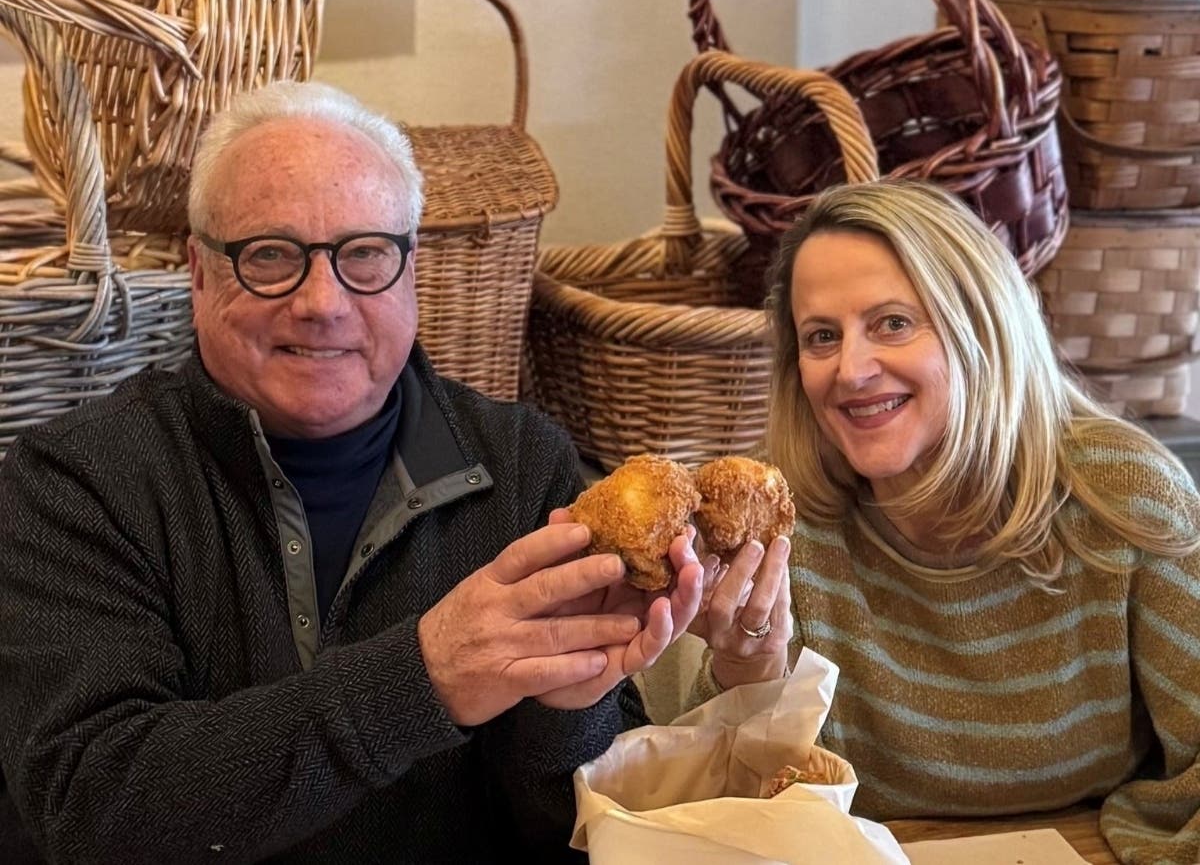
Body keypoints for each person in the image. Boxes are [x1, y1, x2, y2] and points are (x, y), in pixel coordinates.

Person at [0, 81, 703, 864]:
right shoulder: (75, 483)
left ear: (410, 271)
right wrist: (422, 678)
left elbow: (591, 832)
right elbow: (93, 813)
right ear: (199, 274)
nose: (323, 301)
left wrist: (567, 710)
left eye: (364, 254)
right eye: (271, 255)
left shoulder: (523, 465)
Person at [685, 179, 1200, 864]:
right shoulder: (784, 528)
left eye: (893, 323)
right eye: (822, 337)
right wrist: (748, 672)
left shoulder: (1126, 496)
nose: (852, 369)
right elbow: (714, 811)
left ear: (981, 327)